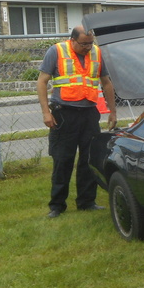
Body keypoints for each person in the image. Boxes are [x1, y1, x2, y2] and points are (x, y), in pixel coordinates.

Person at [37, 25, 117, 218]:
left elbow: (106, 83)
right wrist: (46, 112)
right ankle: (57, 205)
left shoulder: (96, 53)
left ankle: (87, 202)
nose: (88, 47)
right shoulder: (56, 51)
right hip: (64, 114)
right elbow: (42, 81)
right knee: (63, 159)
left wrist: (113, 112)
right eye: (83, 44)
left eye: (90, 43)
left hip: (89, 113)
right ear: (72, 40)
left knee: (88, 159)